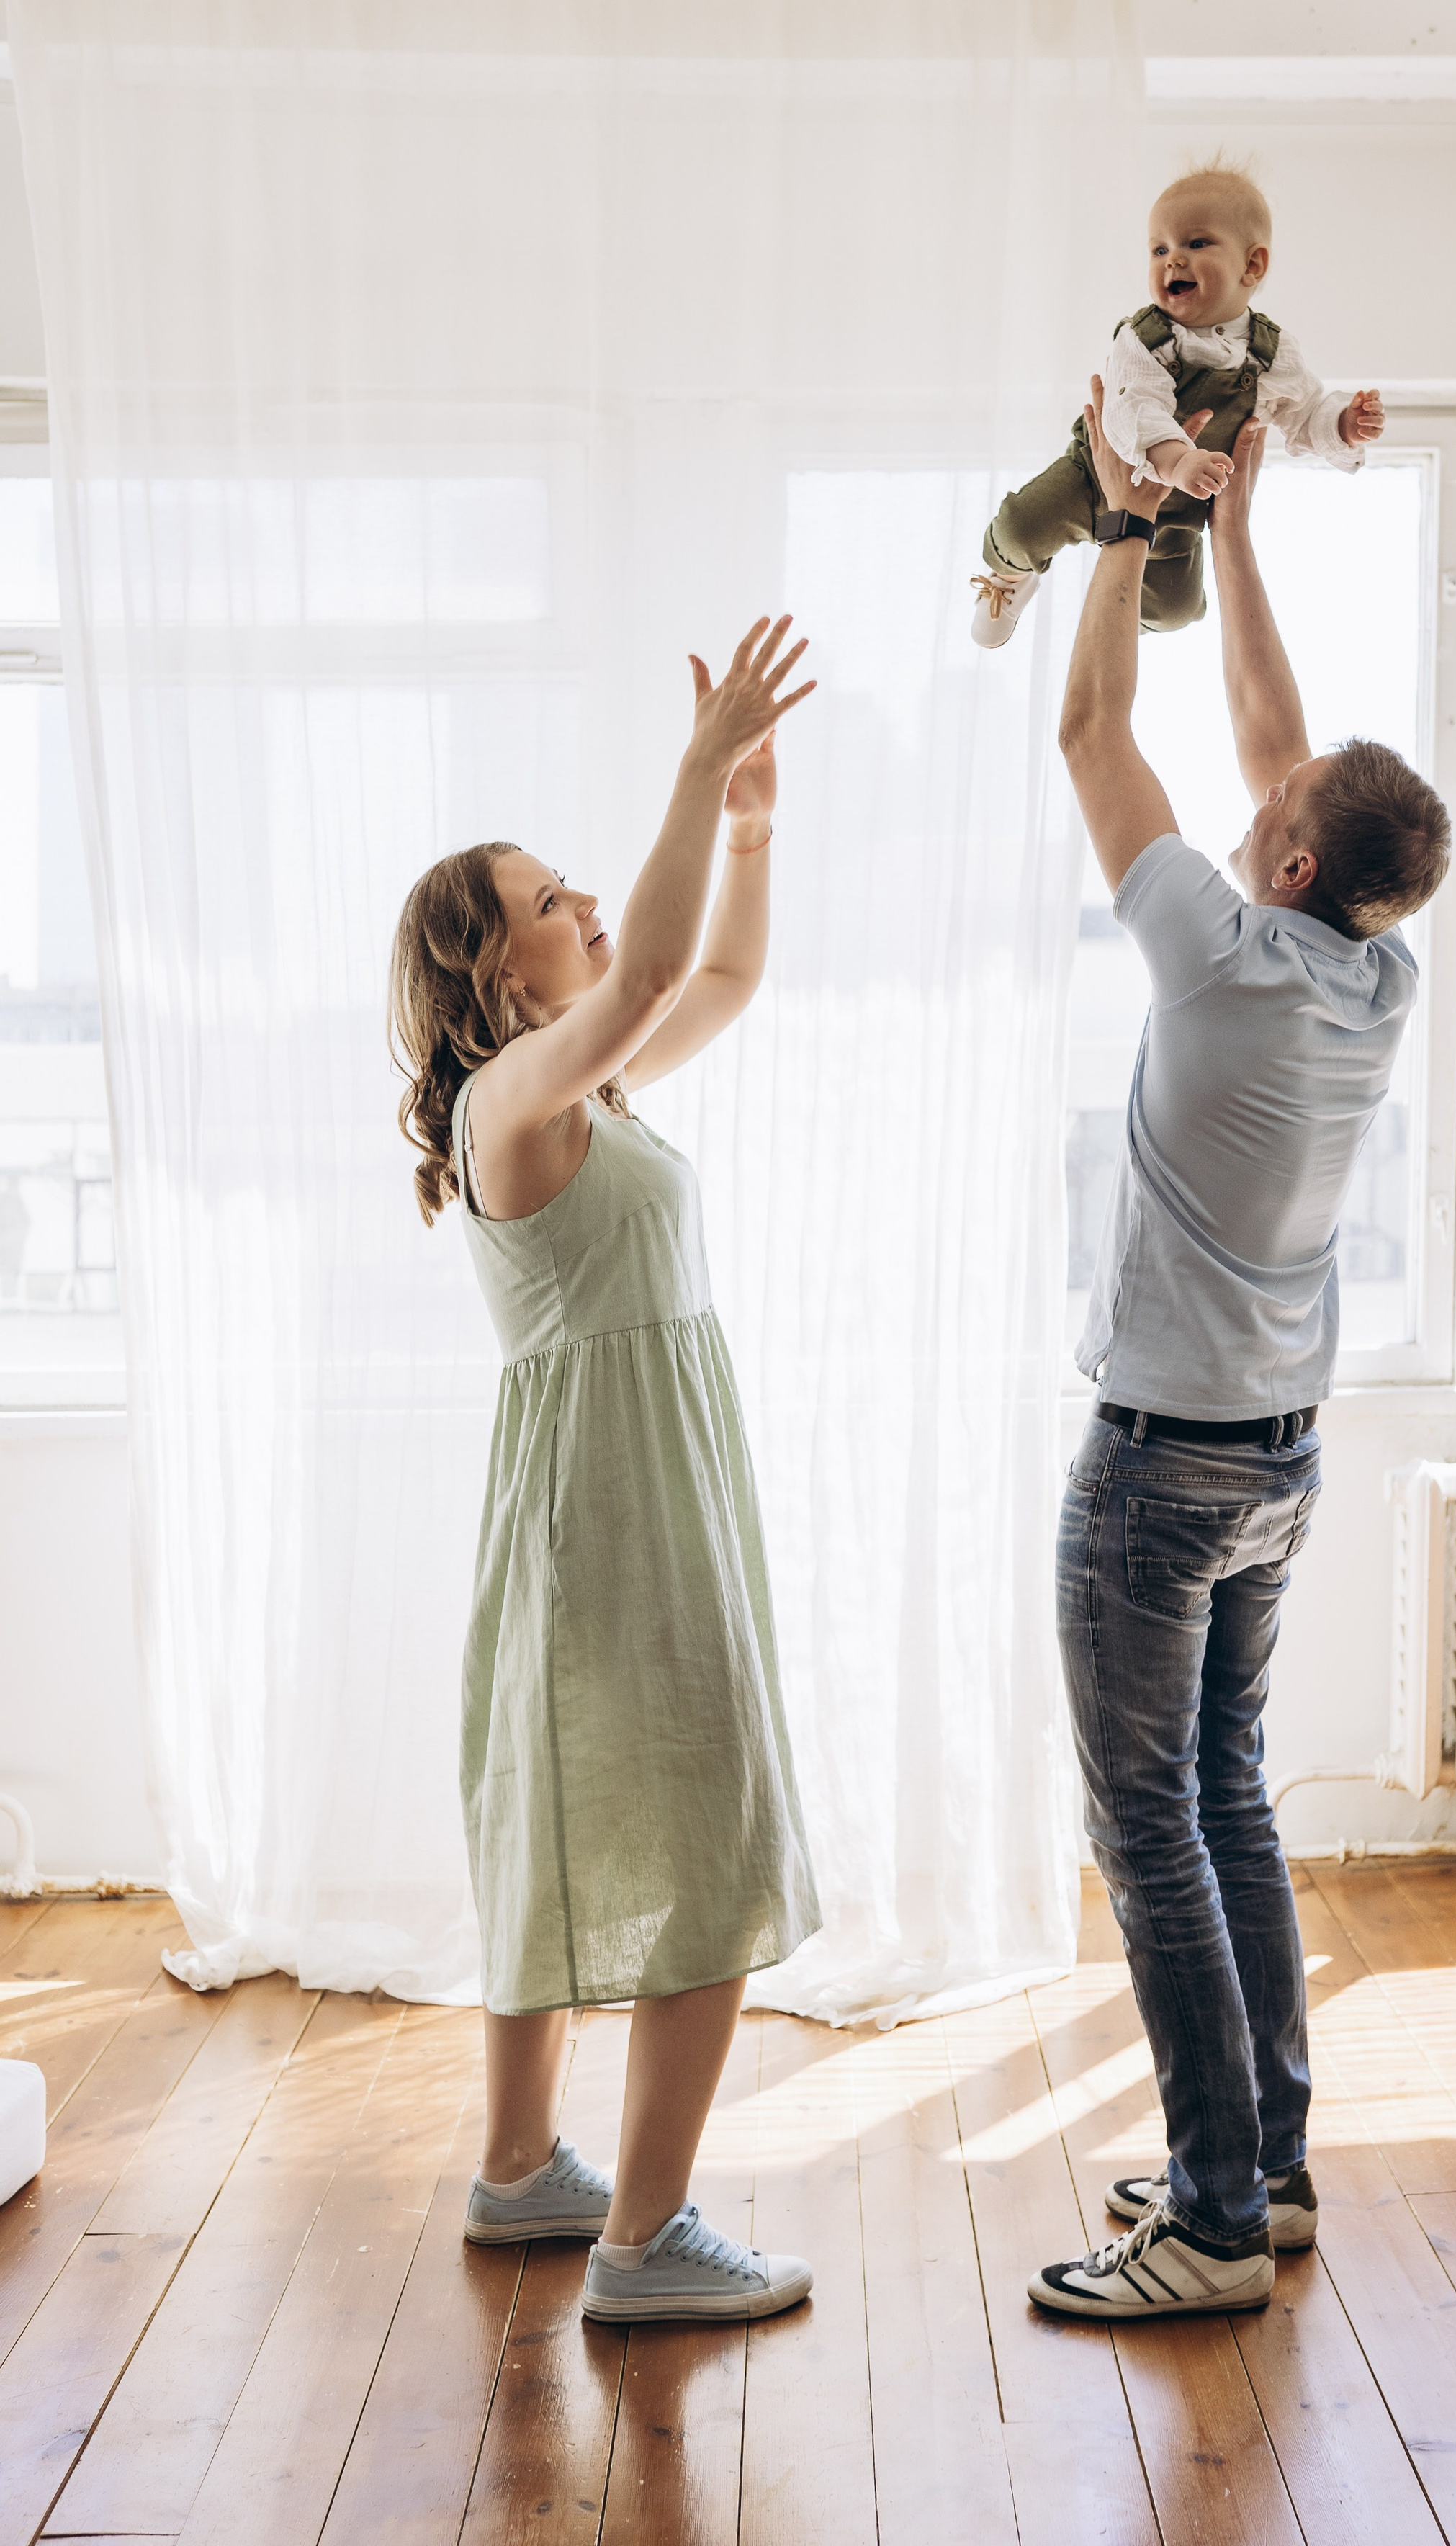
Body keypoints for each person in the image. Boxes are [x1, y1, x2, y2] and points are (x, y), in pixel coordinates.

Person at [1028, 395, 1450, 2320]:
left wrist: (1127, 530)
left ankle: (1208, 2224)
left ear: (1280, 863)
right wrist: (1246, 535)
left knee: (1155, 1835)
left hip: (1159, 1475)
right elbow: (1288, 757)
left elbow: (1093, 734)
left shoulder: (1212, 946)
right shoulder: (1373, 964)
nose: (1250, 795)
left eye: (1269, 812)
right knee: (1236, 1799)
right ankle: (1262, 2168)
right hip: (1276, 1467)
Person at [389, 617, 824, 2328]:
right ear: (494, 973)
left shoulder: (586, 1089)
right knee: (695, 1834)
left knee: (566, 1825)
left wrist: (753, 824)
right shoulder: (509, 1096)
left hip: (634, 1488)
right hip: (614, 1515)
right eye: (548, 897)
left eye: (581, 884)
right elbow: (648, 973)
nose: (583, 908)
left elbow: (707, 982)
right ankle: (641, 2245)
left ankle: (521, 2176)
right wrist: (694, 769)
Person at [969, 164, 1383, 648]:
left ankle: (1118, 603)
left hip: (1179, 508)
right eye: (1159, 249)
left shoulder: (1270, 354)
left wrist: (1342, 424)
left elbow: (1303, 408)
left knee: (1176, 611)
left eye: (1196, 244)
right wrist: (1179, 458)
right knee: (1020, 529)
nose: (1173, 260)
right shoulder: (1146, 338)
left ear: (1252, 266)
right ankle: (1010, 579)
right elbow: (1136, 406)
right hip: (1095, 478)